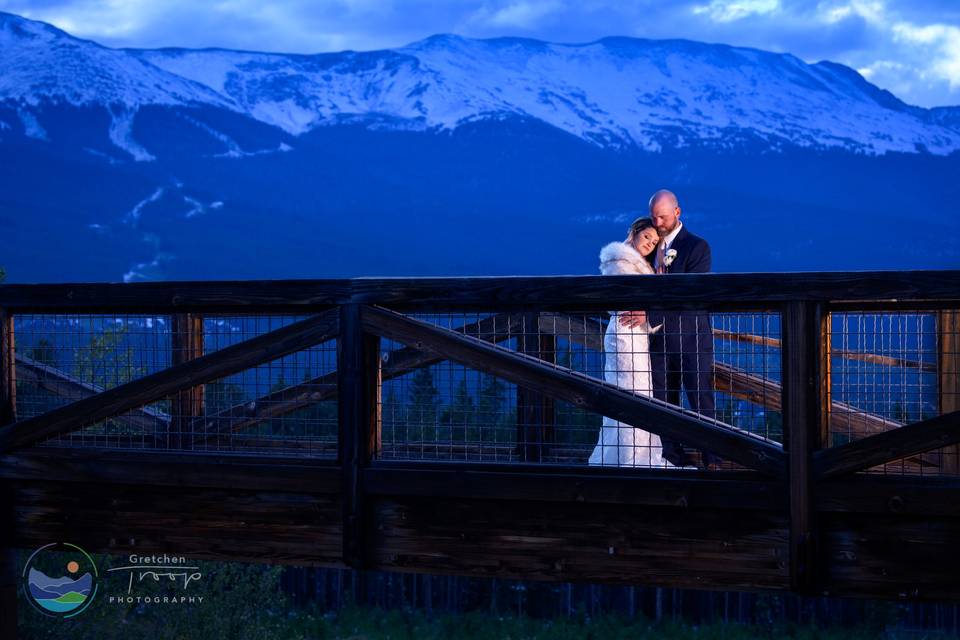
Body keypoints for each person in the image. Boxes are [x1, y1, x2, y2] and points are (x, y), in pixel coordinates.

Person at [588, 217, 676, 467]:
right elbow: (629, 301)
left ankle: (642, 453)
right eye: (646, 236)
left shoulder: (639, 265)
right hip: (624, 334)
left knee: (641, 390)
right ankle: (628, 456)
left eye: (654, 241)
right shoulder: (619, 261)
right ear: (634, 232)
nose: (650, 243)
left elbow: (643, 304)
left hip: (638, 335)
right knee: (627, 390)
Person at [644, 189, 719, 470]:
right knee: (664, 401)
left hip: (692, 340)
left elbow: (690, 295)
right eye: (654, 218)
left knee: (701, 401)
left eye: (662, 217)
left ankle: (712, 460)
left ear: (677, 213)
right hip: (659, 341)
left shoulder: (698, 247)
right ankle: (671, 458)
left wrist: (650, 308)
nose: (658, 223)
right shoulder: (648, 245)